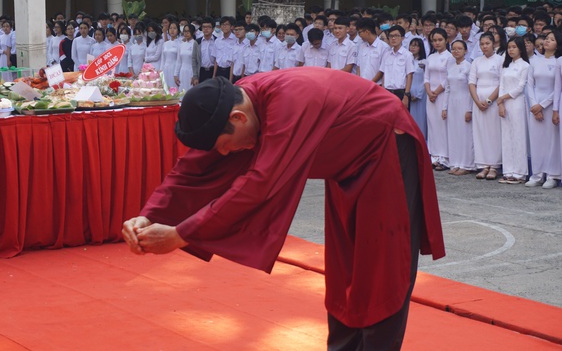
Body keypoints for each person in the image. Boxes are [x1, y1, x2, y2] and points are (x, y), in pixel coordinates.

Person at [122, 70, 445, 351]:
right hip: (344, 168)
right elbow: (192, 167)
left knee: (381, 274)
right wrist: (150, 215)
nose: (224, 154)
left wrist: (180, 235)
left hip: (385, 150)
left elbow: (259, 185)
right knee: (344, 274)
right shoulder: (240, 101)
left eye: (223, 145)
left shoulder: (289, 102)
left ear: (238, 119)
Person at [527, 30, 561, 188]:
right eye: (546, 38)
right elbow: (529, 85)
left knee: (551, 141)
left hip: (551, 105)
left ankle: (552, 175)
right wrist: (535, 105)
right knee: (536, 140)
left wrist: (543, 105)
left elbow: (557, 88)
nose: (547, 41)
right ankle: (537, 174)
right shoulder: (534, 61)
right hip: (534, 105)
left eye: (551, 39)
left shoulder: (558, 62)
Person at [469, 33, 504, 180]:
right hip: (478, 100)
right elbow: (471, 82)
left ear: (493, 44)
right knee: (480, 132)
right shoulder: (476, 61)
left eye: (487, 43)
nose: (484, 46)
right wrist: (477, 101)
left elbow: (502, 82)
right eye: (482, 44)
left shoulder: (500, 60)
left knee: (493, 133)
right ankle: (483, 165)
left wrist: (489, 100)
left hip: (493, 101)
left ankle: (494, 166)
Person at [497, 37, 530, 184]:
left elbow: (521, 87)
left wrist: (503, 97)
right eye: (509, 47)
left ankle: (520, 173)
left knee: (518, 136)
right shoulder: (506, 66)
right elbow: (501, 84)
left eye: (514, 47)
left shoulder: (525, 66)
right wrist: (501, 104)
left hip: (517, 103)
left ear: (521, 49)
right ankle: (508, 170)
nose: (511, 50)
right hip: (505, 104)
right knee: (507, 137)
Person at [443, 40, 474, 176]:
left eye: (459, 49)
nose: (456, 51)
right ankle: (455, 162)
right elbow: (447, 88)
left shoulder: (469, 67)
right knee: (453, 133)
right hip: (452, 102)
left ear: (465, 51)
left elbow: (471, 90)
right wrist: (445, 107)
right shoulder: (450, 67)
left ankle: (466, 164)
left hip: (464, 101)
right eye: (454, 49)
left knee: (464, 133)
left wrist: (469, 109)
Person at [425, 28, 454, 171]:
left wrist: (435, 92)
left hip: (442, 95)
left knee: (443, 125)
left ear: (446, 40)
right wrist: (429, 92)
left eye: (440, 40)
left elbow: (447, 78)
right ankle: (434, 156)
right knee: (432, 124)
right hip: (430, 96)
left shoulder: (449, 57)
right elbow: (426, 77)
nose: (437, 43)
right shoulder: (430, 57)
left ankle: (445, 157)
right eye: (434, 40)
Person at [379, 25, 413, 107]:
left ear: (402, 38)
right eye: (391, 36)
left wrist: (406, 95)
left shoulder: (407, 55)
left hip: (400, 92)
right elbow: (384, 74)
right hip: (387, 92)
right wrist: (383, 91)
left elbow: (410, 75)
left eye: (396, 36)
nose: (393, 38)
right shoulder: (386, 54)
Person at [356, 18, 389, 84]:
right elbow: (359, 66)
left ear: (367, 32)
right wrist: (358, 81)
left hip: (376, 85)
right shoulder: (362, 46)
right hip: (362, 85)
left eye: (359, 33)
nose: (359, 36)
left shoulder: (384, 47)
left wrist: (371, 83)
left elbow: (382, 70)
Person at [408, 38, 428, 139]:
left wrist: (418, 94)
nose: (413, 47)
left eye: (416, 45)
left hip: (421, 94)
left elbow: (426, 79)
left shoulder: (424, 62)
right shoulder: (407, 60)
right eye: (411, 45)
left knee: (421, 119)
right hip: (409, 93)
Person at [174, 23, 200, 92]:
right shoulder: (181, 45)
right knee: (182, 93)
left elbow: (197, 62)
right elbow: (179, 61)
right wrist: (176, 74)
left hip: (191, 71)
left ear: (193, 32)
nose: (186, 33)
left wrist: (194, 76)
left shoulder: (195, 44)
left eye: (188, 31)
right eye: (185, 31)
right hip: (182, 72)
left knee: (191, 93)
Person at [161, 22, 181, 90]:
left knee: (174, 89)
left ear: (178, 30)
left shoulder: (180, 44)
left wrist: (176, 73)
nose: (172, 30)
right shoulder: (165, 44)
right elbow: (163, 59)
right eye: (170, 28)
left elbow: (179, 60)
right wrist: (161, 72)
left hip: (174, 68)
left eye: (174, 28)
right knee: (165, 89)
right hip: (165, 69)